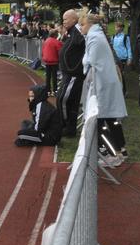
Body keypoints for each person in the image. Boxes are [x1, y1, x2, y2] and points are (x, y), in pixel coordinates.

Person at [80, 14, 128, 167]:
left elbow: (89, 60)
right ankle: (121, 150)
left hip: (102, 85)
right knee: (111, 119)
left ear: (89, 25)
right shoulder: (97, 36)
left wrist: (85, 61)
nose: (81, 28)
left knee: (100, 122)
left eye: (82, 25)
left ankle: (113, 154)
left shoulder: (94, 38)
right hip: (105, 83)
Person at [57, 9, 86, 137]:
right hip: (68, 74)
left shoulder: (78, 31)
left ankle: (66, 126)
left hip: (73, 74)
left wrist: (73, 69)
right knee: (70, 101)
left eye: (65, 19)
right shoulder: (71, 32)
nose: (63, 21)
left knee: (62, 99)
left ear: (74, 19)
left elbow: (83, 41)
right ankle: (69, 128)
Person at [110, 22, 132, 96]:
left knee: (121, 75)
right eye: (116, 27)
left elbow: (129, 48)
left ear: (122, 28)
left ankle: (124, 91)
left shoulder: (125, 37)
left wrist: (129, 58)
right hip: (115, 59)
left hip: (122, 59)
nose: (117, 28)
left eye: (119, 27)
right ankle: (118, 90)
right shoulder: (113, 37)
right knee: (116, 75)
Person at [42, 25, 62, 96]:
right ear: (55, 35)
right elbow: (60, 51)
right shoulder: (56, 42)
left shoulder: (46, 41)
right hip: (54, 61)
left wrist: (44, 57)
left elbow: (43, 50)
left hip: (47, 61)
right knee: (54, 77)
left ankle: (48, 91)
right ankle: (54, 91)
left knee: (48, 77)